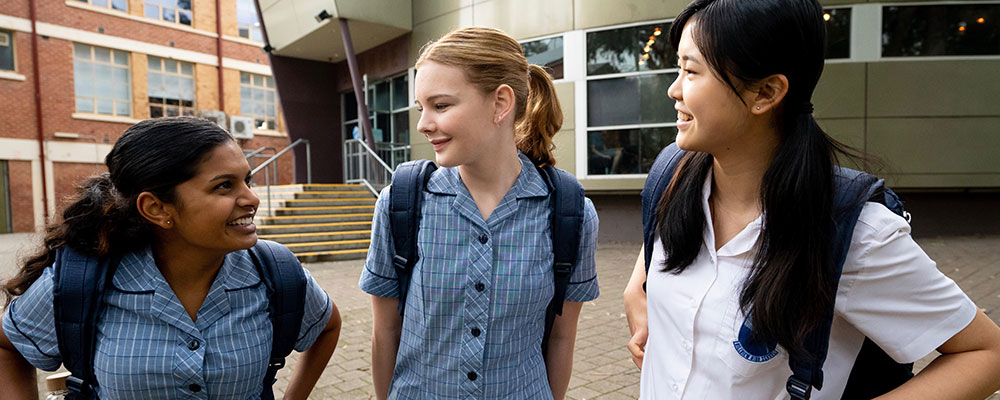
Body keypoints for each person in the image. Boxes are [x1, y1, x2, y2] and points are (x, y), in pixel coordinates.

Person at [622, 0, 1000, 399]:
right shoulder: (672, 174)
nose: (673, 88)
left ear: (765, 93)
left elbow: (986, 352)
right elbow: (660, 245)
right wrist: (639, 288)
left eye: (691, 71)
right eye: (678, 68)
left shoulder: (851, 233)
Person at [0, 117, 342, 399]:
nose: (251, 198)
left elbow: (327, 325)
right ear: (156, 208)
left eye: (247, 180)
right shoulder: (85, 277)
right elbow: (8, 347)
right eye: (224, 185)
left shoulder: (274, 271)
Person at [359, 27, 600, 400]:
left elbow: (562, 336)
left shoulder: (570, 213)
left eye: (440, 106)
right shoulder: (401, 203)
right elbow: (385, 332)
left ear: (501, 103)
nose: (423, 123)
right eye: (421, 108)